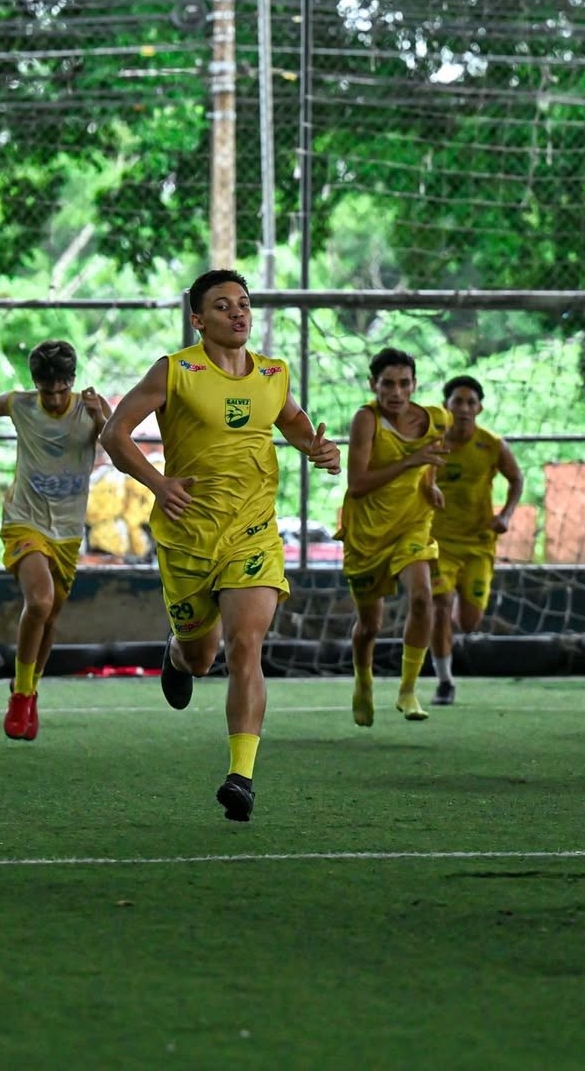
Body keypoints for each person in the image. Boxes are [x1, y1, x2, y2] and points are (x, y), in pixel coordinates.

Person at [99, 269, 341, 822]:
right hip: (188, 535)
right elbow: (115, 435)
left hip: (252, 532)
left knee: (245, 645)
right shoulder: (176, 371)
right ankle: (177, 652)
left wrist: (319, 451)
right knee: (202, 655)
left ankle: (241, 776)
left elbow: (298, 427)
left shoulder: (274, 375)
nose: (238, 313)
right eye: (223, 305)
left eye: (244, 304)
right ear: (197, 319)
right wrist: (159, 484)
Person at [0, 340, 112, 739]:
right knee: (39, 601)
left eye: (63, 389)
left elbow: (113, 446)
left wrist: (102, 418)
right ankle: (21, 695)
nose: (57, 398)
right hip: (24, 521)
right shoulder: (20, 404)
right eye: (49, 391)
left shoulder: (89, 407)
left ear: (72, 382)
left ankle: (29, 687)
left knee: (50, 617)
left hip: (68, 531)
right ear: (37, 386)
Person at [336, 347, 450, 727]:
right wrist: (410, 463)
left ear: (415, 385)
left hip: (412, 525)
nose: (396, 392)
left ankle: (408, 690)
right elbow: (357, 485)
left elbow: (432, 457)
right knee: (370, 626)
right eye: (388, 384)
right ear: (374, 385)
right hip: (367, 534)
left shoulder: (436, 418)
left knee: (423, 599)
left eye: (404, 384)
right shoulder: (366, 420)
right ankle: (364, 682)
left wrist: (428, 485)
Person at [428, 375, 524, 705]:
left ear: (479, 408)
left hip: (479, 544)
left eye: (471, 402)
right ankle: (445, 681)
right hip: (438, 542)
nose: (465, 408)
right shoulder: (432, 443)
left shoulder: (492, 445)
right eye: (458, 401)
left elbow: (516, 479)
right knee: (438, 608)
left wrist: (507, 515)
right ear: (447, 406)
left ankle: (457, 602)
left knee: (469, 622)